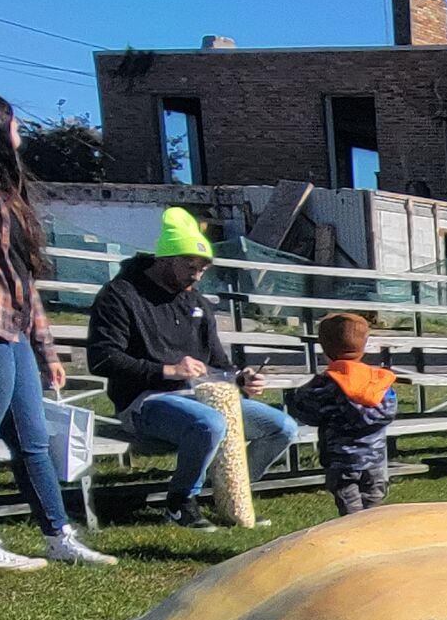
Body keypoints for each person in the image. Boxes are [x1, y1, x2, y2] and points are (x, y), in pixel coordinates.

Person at [85, 206, 296, 531]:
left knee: (282, 427)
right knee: (208, 423)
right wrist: (167, 371)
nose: (196, 275)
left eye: (202, 268)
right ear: (165, 259)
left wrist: (241, 379)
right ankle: (180, 503)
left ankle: (232, 494)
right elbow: (102, 358)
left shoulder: (196, 302)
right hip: (145, 400)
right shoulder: (120, 295)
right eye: (190, 266)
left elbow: (219, 364)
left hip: (205, 395)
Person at [0, 88, 114, 570]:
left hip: (11, 327)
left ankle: (58, 534)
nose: (20, 131)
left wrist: (47, 351)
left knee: (33, 438)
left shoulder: (8, 195)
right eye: (13, 121)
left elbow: (22, 279)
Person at [283, 313, 397, 516]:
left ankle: (355, 540)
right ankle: (372, 538)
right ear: (363, 346)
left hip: (341, 460)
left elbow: (307, 411)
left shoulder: (326, 385)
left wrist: (292, 398)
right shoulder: (378, 382)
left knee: (350, 510)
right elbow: (388, 411)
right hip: (375, 458)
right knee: (373, 506)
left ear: (326, 349)